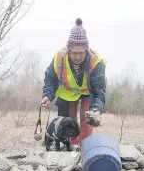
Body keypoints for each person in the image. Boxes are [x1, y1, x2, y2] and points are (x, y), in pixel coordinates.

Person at [41, 18, 106, 146]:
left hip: (88, 92)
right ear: (68, 50)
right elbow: (51, 78)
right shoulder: (60, 57)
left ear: (87, 50)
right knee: (67, 122)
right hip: (67, 92)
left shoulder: (96, 62)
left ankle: (85, 146)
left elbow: (98, 91)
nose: (77, 57)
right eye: (74, 53)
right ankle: (69, 145)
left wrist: (96, 109)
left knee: (87, 117)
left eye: (81, 53)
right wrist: (47, 95)